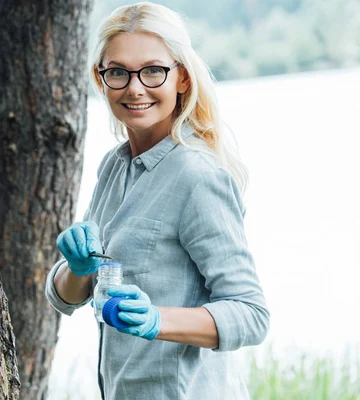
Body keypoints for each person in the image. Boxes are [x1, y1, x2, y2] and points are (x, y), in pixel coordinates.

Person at [44, 2, 270, 399]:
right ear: (101, 80)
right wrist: (78, 268)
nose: (135, 87)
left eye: (152, 70)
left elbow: (251, 315)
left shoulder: (197, 175)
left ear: (181, 78)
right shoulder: (113, 169)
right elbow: (66, 297)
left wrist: (156, 320)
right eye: (118, 72)